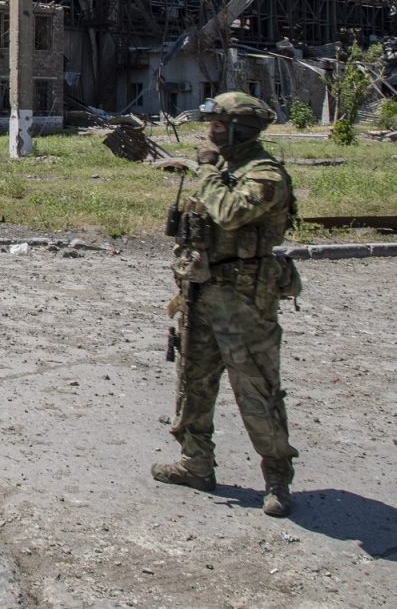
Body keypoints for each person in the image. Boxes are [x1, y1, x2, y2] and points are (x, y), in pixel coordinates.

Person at [154, 92, 302, 516]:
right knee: (193, 383)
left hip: (245, 302)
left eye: (218, 126)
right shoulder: (224, 170)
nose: (211, 133)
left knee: (257, 389)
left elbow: (231, 213)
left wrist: (204, 170)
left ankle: (277, 478)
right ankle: (195, 463)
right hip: (201, 293)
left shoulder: (264, 174)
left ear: (240, 129)